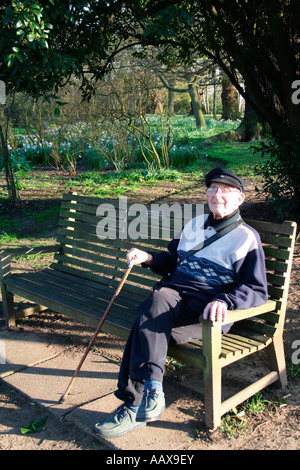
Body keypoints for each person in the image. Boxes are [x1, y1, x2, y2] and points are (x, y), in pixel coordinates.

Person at [94, 168, 268, 438]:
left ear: (240, 199)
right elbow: (173, 261)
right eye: (212, 189)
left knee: (145, 326)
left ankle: (134, 405)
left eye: (225, 190)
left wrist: (226, 300)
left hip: (207, 312)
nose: (216, 195)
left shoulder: (246, 238)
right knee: (159, 299)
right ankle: (151, 394)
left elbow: (256, 289)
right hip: (173, 297)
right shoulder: (194, 224)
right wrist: (148, 257)